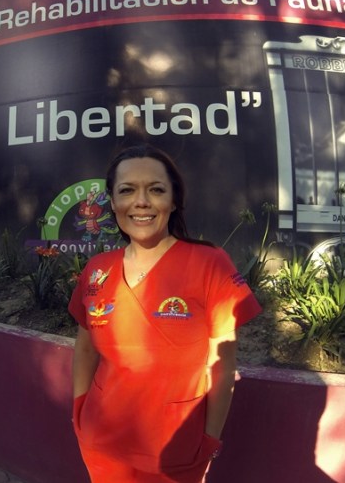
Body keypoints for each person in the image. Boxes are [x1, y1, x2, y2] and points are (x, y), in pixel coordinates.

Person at [68, 144, 262, 483]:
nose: (141, 201)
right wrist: (79, 412)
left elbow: (222, 365)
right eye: (127, 190)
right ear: (112, 203)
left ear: (173, 201)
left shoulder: (209, 264)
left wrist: (208, 441)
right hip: (101, 443)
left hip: (176, 453)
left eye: (155, 190)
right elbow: (85, 348)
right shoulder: (97, 270)